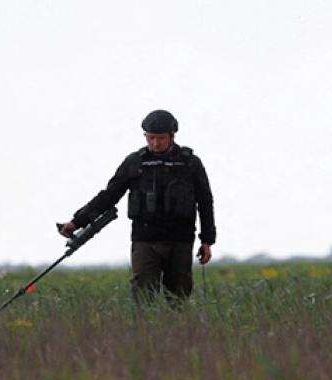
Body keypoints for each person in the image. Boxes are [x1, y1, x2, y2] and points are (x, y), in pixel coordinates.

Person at [60, 110, 216, 304]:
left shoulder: (190, 163)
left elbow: (205, 201)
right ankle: (144, 333)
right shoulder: (135, 163)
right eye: (151, 138)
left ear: (172, 135)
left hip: (180, 241)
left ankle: (177, 332)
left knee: (178, 298)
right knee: (143, 297)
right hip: (145, 241)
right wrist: (76, 222)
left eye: (160, 138)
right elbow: (108, 196)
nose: (155, 143)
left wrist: (207, 240)